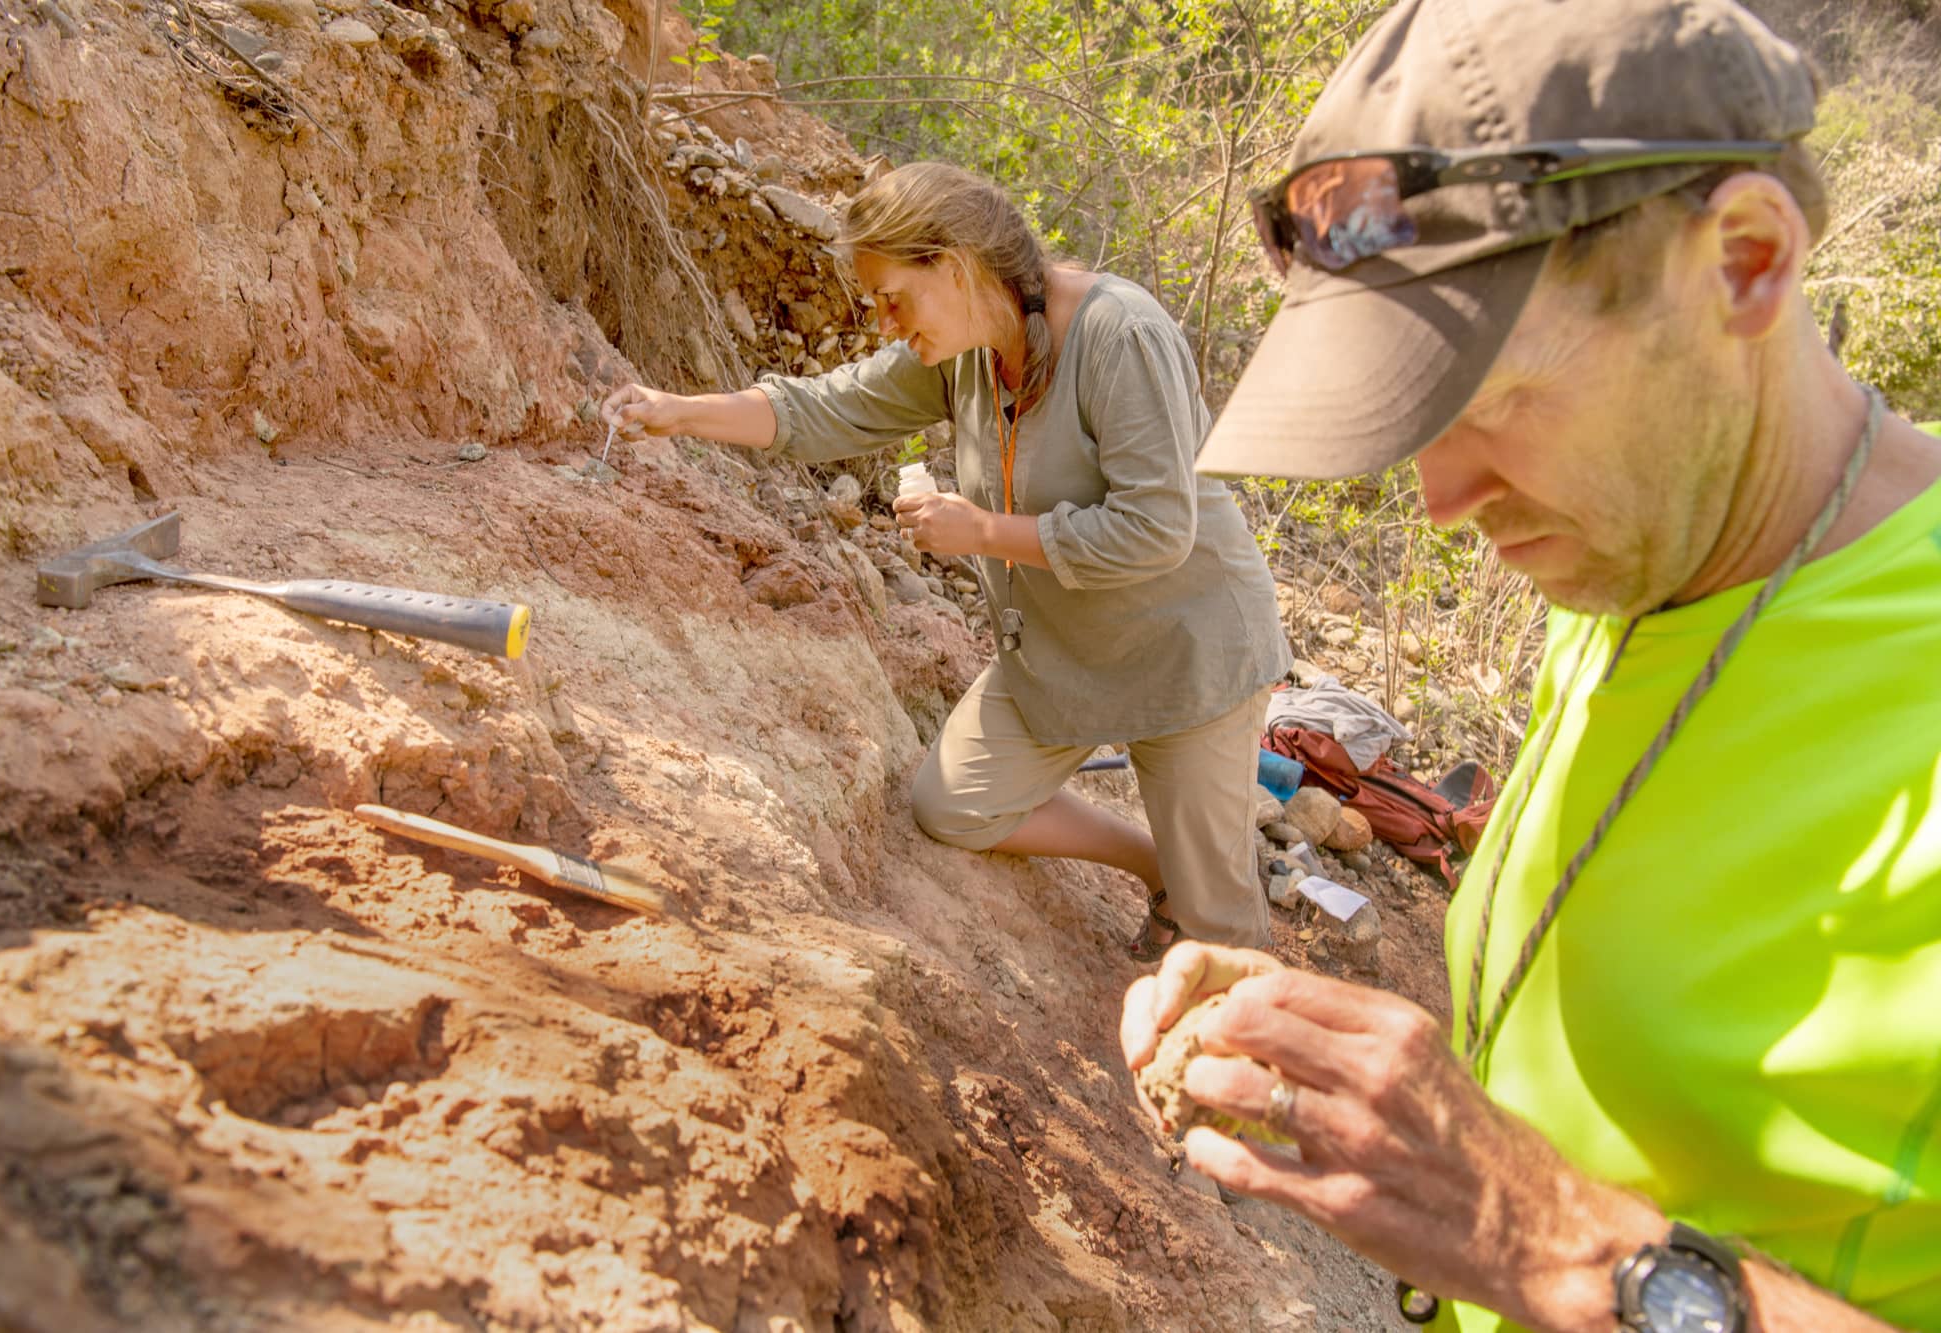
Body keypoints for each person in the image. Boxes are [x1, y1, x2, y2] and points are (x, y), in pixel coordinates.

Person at [1120, 0, 1941, 1330]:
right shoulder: (1643, 552)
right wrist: (1384, 1098)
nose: (1442, 497)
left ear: (1742, 262)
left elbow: (1556, 1227)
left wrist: (1549, 1244)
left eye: (1490, 406)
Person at [606, 161, 1293, 958]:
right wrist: (677, 413)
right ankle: (1161, 863)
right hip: (1068, 653)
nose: (888, 325)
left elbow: (1155, 529)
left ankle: (1224, 993)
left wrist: (985, 532)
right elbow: (829, 406)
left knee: (1221, 939)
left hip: (1188, 654)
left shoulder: (1120, 334)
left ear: (956, 266)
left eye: (895, 299)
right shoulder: (965, 348)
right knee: (952, 805)